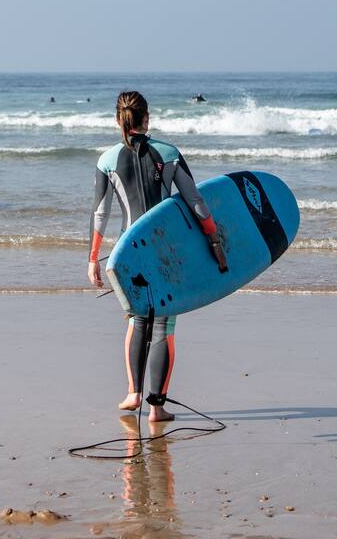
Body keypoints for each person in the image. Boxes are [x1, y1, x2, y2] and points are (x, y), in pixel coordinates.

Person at [87, 91, 227, 423]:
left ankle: (133, 392)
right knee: (164, 325)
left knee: (138, 320)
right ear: (147, 118)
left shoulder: (106, 160)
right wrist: (214, 241)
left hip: (126, 253)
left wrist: (93, 259)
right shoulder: (170, 153)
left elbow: (100, 213)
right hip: (163, 251)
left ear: (117, 120)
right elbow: (196, 202)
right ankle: (157, 408)